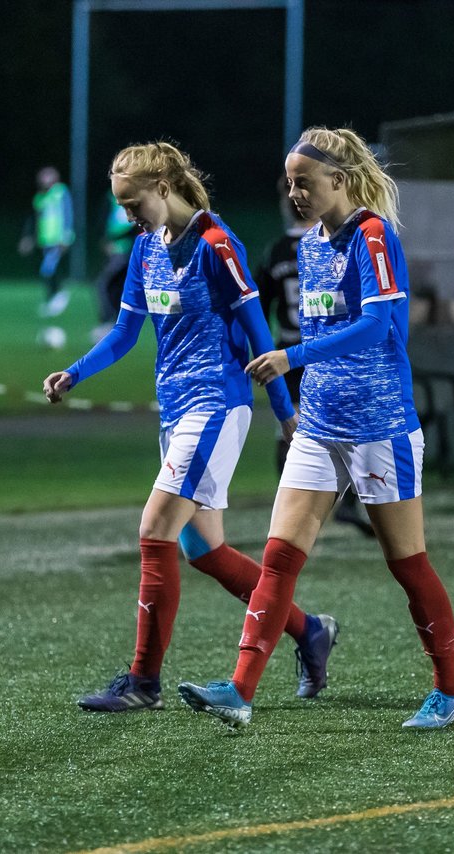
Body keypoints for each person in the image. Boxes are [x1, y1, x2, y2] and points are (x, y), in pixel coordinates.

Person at [178, 127, 454, 730]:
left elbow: (379, 327)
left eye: (304, 182)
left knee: (407, 563)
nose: (295, 193)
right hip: (318, 425)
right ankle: (240, 690)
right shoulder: (310, 243)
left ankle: (450, 689)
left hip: (379, 425)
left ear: (339, 180)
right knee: (279, 558)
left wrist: (292, 358)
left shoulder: (372, 235)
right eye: (289, 184)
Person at [42, 142, 337, 713]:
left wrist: (286, 414)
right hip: (176, 410)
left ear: (163, 188)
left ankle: (143, 683)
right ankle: (309, 631)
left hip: (217, 406)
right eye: (121, 206)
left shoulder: (216, 245)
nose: (128, 215)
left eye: (133, 203)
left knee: (155, 528)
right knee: (203, 549)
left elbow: (258, 336)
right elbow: (127, 335)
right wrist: (75, 374)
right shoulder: (147, 250)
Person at [256, 177, 374, 538]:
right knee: (354, 429)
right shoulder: (331, 247)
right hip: (330, 354)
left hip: (289, 354)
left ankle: (290, 504)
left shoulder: (276, 251)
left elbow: (259, 306)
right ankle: (350, 503)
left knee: (288, 432)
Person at [19, 166, 76, 318]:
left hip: (58, 240)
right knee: (46, 269)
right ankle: (53, 297)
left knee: (48, 269)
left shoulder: (60, 192)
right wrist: (29, 237)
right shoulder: (39, 198)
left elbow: (68, 214)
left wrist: (66, 237)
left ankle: (58, 296)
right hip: (45, 241)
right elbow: (34, 219)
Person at [90, 189, 138, 342]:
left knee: (104, 284)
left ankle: (109, 323)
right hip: (115, 252)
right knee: (114, 286)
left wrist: (114, 239)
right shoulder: (111, 199)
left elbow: (137, 228)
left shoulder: (136, 199)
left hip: (127, 252)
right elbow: (103, 220)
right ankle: (117, 326)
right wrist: (105, 240)